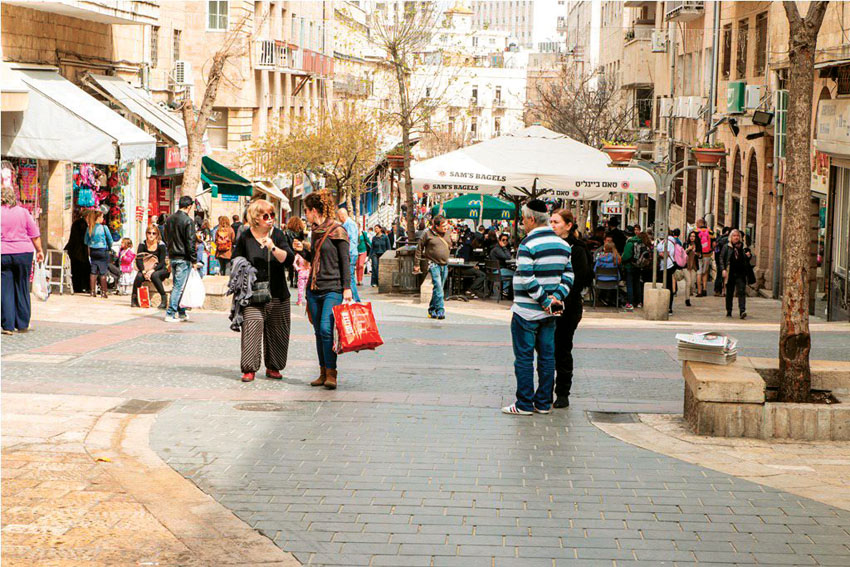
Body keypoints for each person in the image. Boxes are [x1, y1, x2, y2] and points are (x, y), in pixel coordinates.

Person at [502, 200, 573, 416]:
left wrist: (543, 300)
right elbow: (569, 275)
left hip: (526, 311)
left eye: (523, 219)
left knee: (524, 358)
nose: (522, 223)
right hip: (549, 313)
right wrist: (555, 299)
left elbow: (526, 276)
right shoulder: (563, 245)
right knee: (546, 357)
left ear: (531, 219)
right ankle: (543, 403)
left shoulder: (527, 245)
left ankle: (524, 404)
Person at [292, 191, 352, 390]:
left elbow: (345, 262)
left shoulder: (338, 231)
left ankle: (332, 372)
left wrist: (347, 288)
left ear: (314, 210)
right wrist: (301, 249)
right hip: (314, 288)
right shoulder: (316, 231)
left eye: (307, 211)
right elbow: (314, 257)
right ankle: (322, 372)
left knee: (327, 330)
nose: (306, 215)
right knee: (319, 332)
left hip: (333, 288)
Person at [231, 199, 294, 382]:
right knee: (251, 327)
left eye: (272, 215)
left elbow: (288, 259)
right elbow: (235, 260)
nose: (270, 219)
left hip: (277, 291)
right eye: (266, 215)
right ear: (255, 218)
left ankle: (274, 366)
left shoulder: (279, 235)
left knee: (278, 330)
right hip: (252, 293)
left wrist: (272, 247)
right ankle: (249, 368)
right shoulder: (245, 237)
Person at [549, 209, 589, 409]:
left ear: (568, 225)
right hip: (547, 305)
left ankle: (562, 393)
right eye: (551, 221)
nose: (552, 225)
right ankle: (545, 391)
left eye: (556, 222)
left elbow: (581, 279)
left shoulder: (578, 248)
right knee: (547, 349)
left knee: (562, 349)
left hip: (569, 306)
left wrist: (560, 292)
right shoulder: (548, 244)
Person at [1, 184, 44, 334]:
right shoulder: (23, 212)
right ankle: (23, 322)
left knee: (5, 288)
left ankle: (7, 325)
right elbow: (34, 234)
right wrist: (39, 250)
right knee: (22, 286)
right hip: (23, 252)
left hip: (3, 253)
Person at [163, 195, 197, 322]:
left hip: (173, 256)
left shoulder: (170, 219)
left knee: (179, 285)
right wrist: (193, 260)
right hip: (184, 257)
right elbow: (190, 242)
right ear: (189, 206)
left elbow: (166, 237)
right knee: (179, 286)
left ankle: (181, 311)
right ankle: (170, 313)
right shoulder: (188, 221)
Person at [413, 216, 452, 319]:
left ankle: (431, 309)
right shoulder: (427, 233)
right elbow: (419, 248)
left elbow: (449, 244)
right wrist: (416, 264)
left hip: (445, 264)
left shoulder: (448, 232)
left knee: (438, 288)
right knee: (438, 286)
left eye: (446, 225)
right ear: (436, 226)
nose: (446, 227)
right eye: (443, 226)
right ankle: (440, 310)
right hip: (433, 264)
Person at [131, 224, 170, 309]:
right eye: (149, 233)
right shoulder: (142, 244)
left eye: (154, 233)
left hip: (160, 268)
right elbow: (139, 259)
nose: (151, 235)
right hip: (146, 269)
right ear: (146, 234)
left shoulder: (161, 245)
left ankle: (163, 299)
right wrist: (144, 271)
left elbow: (162, 262)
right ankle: (134, 299)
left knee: (154, 275)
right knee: (139, 276)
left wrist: (152, 270)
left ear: (157, 234)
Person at [720, 229, 754, 319]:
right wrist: (723, 269)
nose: (736, 237)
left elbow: (748, 258)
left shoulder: (743, 247)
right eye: (734, 236)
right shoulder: (726, 247)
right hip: (730, 272)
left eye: (737, 236)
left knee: (741, 291)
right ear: (731, 237)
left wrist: (748, 256)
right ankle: (729, 310)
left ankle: (742, 311)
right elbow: (721, 258)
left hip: (740, 273)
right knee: (729, 293)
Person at [84, 209, 113, 299]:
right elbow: (110, 240)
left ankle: (92, 291)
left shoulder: (89, 228)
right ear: (98, 218)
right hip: (102, 250)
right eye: (102, 217)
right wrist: (109, 247)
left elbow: (86, 241)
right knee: (102, 271)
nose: (103, 218)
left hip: (93, 251)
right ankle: (104, 292)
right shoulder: (104, 228)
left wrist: (92, 243)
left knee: (93, 271)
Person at [337, 207, 361, 302]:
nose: (338, 218)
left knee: (349, 277)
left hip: (350, 254)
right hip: (351, 253)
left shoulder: (350, 224)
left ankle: (356, 299)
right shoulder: (347, 224)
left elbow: (351, 240)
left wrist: (346, 254)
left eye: (339, 216)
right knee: (349, 276)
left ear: (342, 216)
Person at [622, 229, 649, 310]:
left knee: (629, 284)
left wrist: (622, 260)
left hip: (629, 266)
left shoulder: (629, 243)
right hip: (638, 266)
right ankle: (639, 302)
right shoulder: (641, 242)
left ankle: (630, 302)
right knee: (637, 284)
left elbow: (626, 256)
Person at [64, 211, 90, 293]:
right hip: (79, 250)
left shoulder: (77, 223)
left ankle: (78, 287)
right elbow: (83, 238)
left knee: (76, 269)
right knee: (80, 269)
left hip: (74, 248)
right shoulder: (82, 224)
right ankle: (81, 287)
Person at [655, 232, 678, 314]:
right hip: (662, 267)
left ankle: (669, 307)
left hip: (668, 266)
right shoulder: (660, 242)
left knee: (668, 287)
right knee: (663, 286)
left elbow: (667, 254)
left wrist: (660, 254)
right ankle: (664, 306)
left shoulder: (669, 242)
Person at [593, 241, 621, 306]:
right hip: (613, 281)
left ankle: (602, 298)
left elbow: (595, 270)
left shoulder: (600, 258)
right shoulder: (617, 259)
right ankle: (610, 299)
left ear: (605, 249)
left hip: (600, 280)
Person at [284, 216, 306, 287]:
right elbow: (303, 241)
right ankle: (296, 281)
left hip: (290, 250)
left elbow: (286, 242)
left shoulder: (287, 232)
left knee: (291, 266)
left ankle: (291, 282)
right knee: (298, 266)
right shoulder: (300, 231)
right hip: (298, 250)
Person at [695, 218, 714, 297]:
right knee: (705, 272)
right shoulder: (710, 231)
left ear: (699, 223)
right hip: (707, 254)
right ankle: (705, 290)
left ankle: (699, 291)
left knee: (699, 272)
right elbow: (714, 243)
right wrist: (711, 251)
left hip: (698, 254)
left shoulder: (696, 231)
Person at [683, 231, 702, 307]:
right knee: (688, 282)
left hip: (694, 266)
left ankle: (689, 295)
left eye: (693, 236)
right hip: (686, 266)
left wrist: (696, 253)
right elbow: (682, 253)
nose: (692, 237)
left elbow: (701, 256)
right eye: (691, 236)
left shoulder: (698, 245)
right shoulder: (686, 244)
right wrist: (688, 249)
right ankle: (687, 299)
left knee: (692, 284)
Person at [714, 225, 730, 296]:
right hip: (725, 259)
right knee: (724, 275)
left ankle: (717, 290)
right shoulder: (727, 239)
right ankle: (724, 291)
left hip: (718, 259)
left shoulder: (718, 238)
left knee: (719, 275)